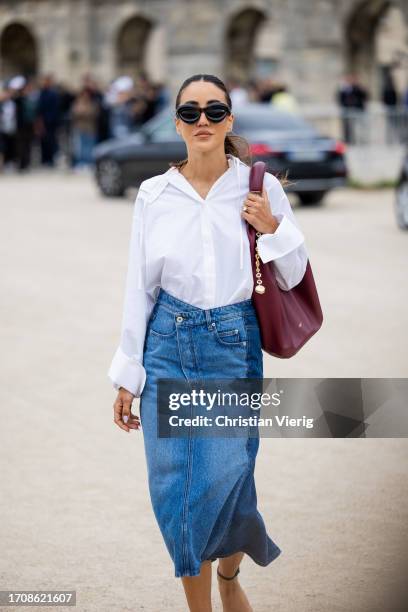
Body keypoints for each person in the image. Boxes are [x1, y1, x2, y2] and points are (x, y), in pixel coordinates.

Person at [108, 73, 308, 612]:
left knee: (225, 477)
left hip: (231, 343)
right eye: (191, 112)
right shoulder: (153, 194)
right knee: (176, 492)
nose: (203, 122)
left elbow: (293, 276)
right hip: (166, 345)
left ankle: (229, 572)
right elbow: (138, 287)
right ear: (176, 122)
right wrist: (128, 375)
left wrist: (272, 227)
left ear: (229, 121)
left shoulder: (259, 188)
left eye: (214, 112)